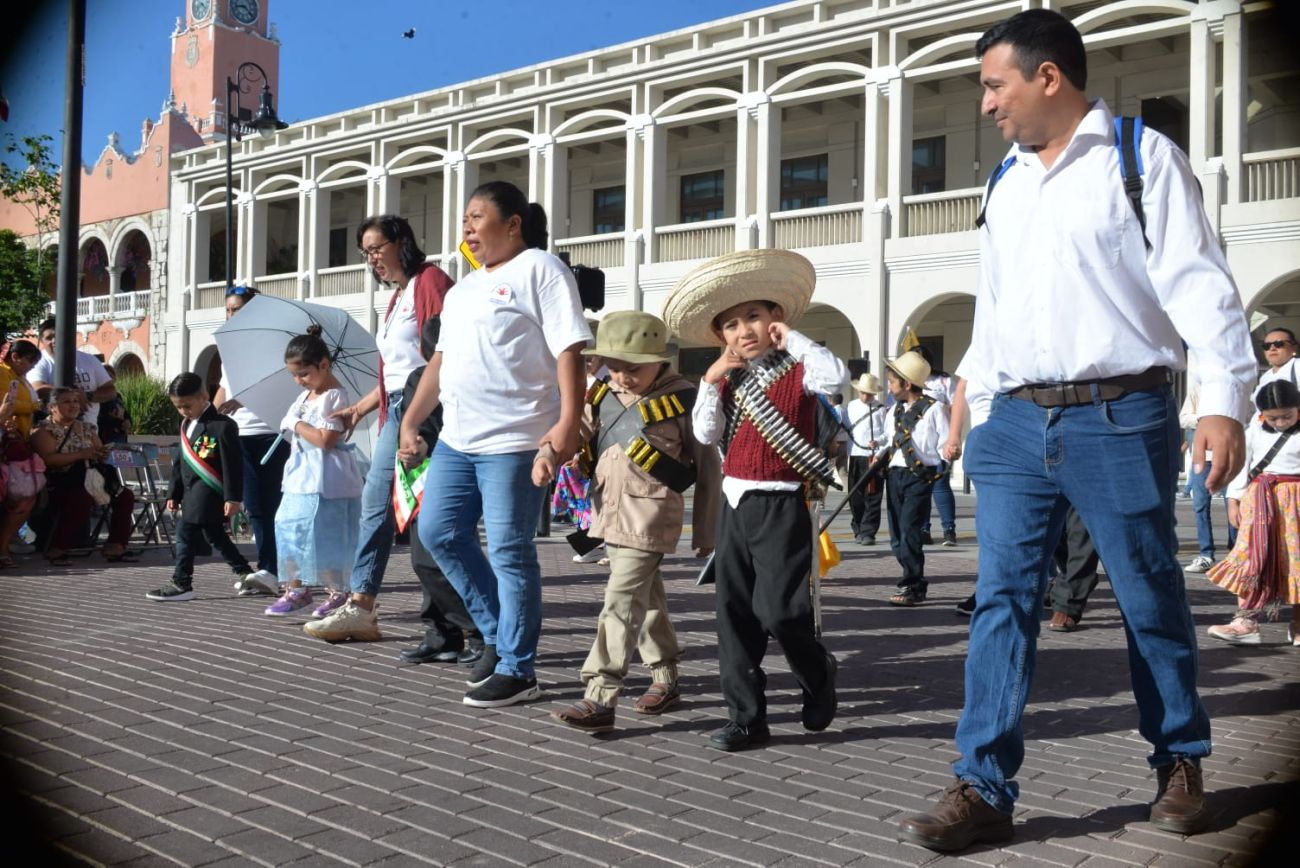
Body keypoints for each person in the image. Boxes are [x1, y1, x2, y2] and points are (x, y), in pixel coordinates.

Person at [897, 10, 1254, 852]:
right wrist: (967, 404)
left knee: (1146, 596)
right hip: (1015, 421)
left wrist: (1221, 401)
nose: (987, 105)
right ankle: (983, 784)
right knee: (1000, 605)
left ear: (1047, 76)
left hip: (1120, 412)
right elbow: (996, 312)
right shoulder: (1005, 183)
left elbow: (1201, 286)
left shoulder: (1138, 159)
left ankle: (1178, 756)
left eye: (994, 85)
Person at [398, 181, 592, 708]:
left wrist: (569, 422)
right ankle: (494, 631)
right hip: (458, 442)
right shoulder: (462, 291)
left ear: (512, 225)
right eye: (464, 219)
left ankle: (517, 667)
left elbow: (570, 348)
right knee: (439, 533)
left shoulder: (541, 270)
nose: (466, 227)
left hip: (516, 438)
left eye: (477, 216)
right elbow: (440, 363)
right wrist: (411, 420)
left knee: (509, 550)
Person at [666, 248, 844, 752]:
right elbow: (705, 433)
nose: (744, 330)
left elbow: (836, 379)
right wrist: (709, 379)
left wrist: (796, 340)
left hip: (783, 502)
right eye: (731, 325)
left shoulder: (799, 368)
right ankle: (747, 718)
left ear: (775, 320)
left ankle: (816, 671)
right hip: (735, 503)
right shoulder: (729, 381)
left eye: (754, 317)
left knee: (781, 611)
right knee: (734, 615)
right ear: (721, 337)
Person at [550, 311, 720, 733]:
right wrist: (554, 451)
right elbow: (581, 431)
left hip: (651, 516)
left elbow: (707, 470)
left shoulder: (684, 398)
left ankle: (600, 694)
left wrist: (707, 532)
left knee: (620, 601)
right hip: (609, 512)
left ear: (658, 360)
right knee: (647, 603)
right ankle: (665, 677)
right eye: (615, 366)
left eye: (633, 368)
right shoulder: (602, 390)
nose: (623, 376)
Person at [303, 216, 453, 641]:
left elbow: (443, 353)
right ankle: (435, 620)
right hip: (399, 406)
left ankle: (365, 604)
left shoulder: (430, 281)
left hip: (423, 406)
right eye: (365, 252)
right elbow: (393, 373)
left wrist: (413, 417)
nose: (371, 259)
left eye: (376, 248)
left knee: (384, 507)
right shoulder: (397, 298)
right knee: (412, 514)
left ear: (401, 242)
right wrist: (361, 409)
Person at [398, 316, 484, 666]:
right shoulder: (418, 380)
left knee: (446, 556)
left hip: (460, 471)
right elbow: (415, 426)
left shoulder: (475, 378)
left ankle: (479, 630)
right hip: (424, 474)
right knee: (423, 559)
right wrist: (413, 446)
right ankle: (441, 633)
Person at [262, 326, 364, 619]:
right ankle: (295, 588)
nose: (298, 381)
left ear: (324, 364)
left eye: (304, 373)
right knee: (289, 526)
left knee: (328, 535)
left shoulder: (335, 396)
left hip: (327, 478)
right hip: (301, 475)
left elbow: (326, 439)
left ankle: (338, 591)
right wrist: (294, 421)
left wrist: (295, 423)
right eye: (294, 375)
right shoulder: (305, 397)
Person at [1204, 380, 1300, 647]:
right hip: (1259, 498)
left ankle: (1298, 624)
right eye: (1273, 418)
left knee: (1296, 560)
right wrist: (1233, 501)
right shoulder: (1253, 431)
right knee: (1251, 559)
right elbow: (1241, 465)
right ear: (1261, 415)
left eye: (1287, 416)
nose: (1280, 422)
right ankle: (1246, 622)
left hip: (1297, 499)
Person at [144, 373, 255, 602]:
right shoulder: (186, 424)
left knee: (185, 535)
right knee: (215, 536)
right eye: (178, 406)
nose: (183, 410)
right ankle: (245, 573)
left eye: (187, 405)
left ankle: (182, 582)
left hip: (209, 492)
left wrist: (233, 497)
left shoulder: (223, 426)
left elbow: (232, 464)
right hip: (189, 492)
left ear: (204, 396)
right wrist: (173, 493)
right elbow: (180, 462)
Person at [213, 285, 288, 598]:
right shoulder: (230, 349)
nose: (233, 314)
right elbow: (222, 389)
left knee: (264, 506)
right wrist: (209, 412)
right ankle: (271, 569)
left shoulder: (271, 345)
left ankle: (271, 570)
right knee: (254, 506)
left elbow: (281, 384)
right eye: (229, 309)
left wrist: (241, 401)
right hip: (239, 436)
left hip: (269, 435)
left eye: (239, 308)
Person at [30, 387, 137, 565]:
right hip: (59, 482)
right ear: (52, 407)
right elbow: (49, 460)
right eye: (66, 402)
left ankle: (116, 546)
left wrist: (102, 454)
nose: (73, 405)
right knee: (80, 498)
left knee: (125, 496)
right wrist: (80, 455)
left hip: (89, 478)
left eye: (75, 401)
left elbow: (98, 449)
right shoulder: (43, 431)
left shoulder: (87, 428)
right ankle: (58, 548)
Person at [881, 351, 949, 607]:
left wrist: (948, 453)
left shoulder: (933, 409)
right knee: (897, 535)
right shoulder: (894, 411)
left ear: (906, 384)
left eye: (892, 381)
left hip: (919, 477)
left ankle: (914, 584)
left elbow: (943, 443)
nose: (889, 386)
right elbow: (890, 441)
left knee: (910, 530)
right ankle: (910, 577)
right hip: (895, 474)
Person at [1180, 376, 1238, 573]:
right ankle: (1206, 554)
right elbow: (1183, 417)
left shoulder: (1235, 386)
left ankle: (1235, 554)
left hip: (1231, 454)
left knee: (1233, 502)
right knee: (1200, 506)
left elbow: (1248, 415)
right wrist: (1203, 419)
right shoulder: (1199, 387)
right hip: (1203, 457)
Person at [26, 317, 116, 422]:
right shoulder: (39, 362)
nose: (54, 341)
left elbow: (111, 391)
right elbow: (37, 389)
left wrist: (88, 396)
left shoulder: (89, 360)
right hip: (54, 430)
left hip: (88, 429)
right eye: (49, 338)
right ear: (41, 341)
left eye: (57, 336)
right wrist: (72, 395)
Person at [915, 345, 958, 546]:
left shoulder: (943, 381)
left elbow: (956, 405)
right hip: (917, 442)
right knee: (921, 489)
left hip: (939, 439)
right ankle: (923, 529)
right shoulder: (909, 382)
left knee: (940, 486)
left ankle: (949, 529)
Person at [844, 373, 889, 545]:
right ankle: (857, 527)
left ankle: (868, 531)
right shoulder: (850, 407)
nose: (866, 396)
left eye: (869, 393)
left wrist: (878, 442)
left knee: (874, 496)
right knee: (855, 496)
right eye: (863, 392)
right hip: (855, 455)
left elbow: (887, 433)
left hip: (874, 457)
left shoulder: (881, 409)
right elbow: (844, 430)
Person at [96, 364, 132, 445]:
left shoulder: (118, 396)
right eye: (106, 376)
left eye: (111, 376)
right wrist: (113, 416)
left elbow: (125, 413)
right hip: (104, 436)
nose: (109, 379)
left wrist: (127, 421)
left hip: (119, 435)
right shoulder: (97, 395)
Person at [1255, 327, 1297, 394]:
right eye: (1267, 345)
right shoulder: (1265, 377)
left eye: (1278, 344)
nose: (1272, 348)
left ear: (1294, 347)